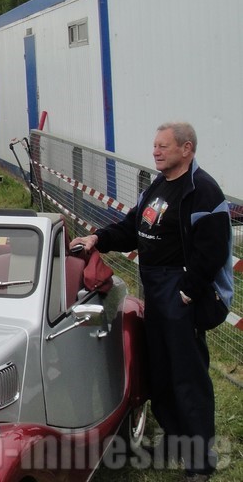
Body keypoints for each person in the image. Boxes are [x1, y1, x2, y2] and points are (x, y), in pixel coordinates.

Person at [70, 121, 232, 480]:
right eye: (155, 145)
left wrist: (188, 292)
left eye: (164, 146)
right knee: (159, 375)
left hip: (180, 295)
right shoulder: (158, 186)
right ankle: (178, 442)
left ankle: (200, 463)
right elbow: (133, 228)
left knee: (187, 379)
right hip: (155, 292)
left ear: (186, 149)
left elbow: (213, 249)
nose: (156, 151)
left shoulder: (202, 191)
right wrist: (99, 237)